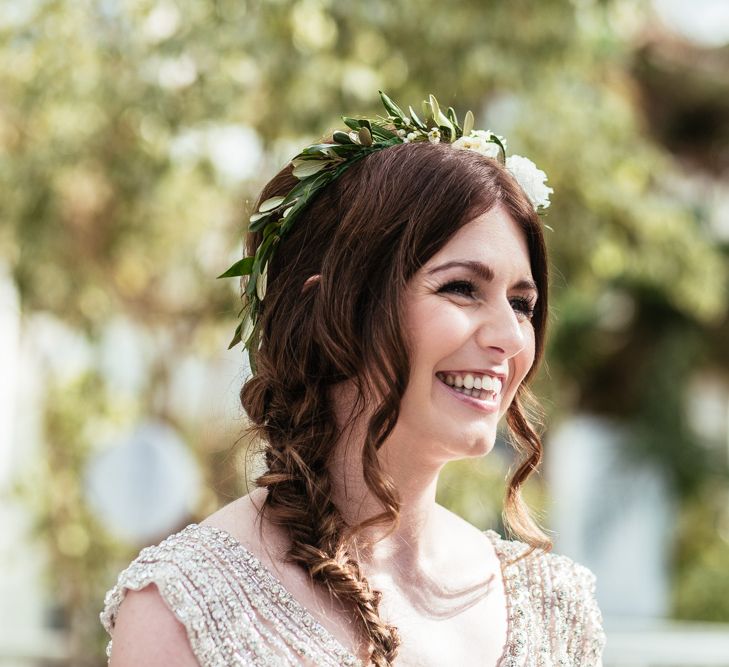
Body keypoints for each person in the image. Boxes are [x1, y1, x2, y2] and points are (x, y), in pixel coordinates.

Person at [100, 93, 606, 666]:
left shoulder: (552, 608)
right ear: (334, 310)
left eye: (521, 303)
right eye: (461, 288)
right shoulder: (185, 607)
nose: (512, 338)